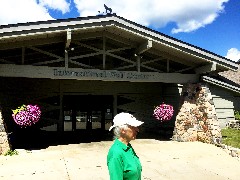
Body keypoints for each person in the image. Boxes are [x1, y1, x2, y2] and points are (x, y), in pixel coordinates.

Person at [107, 112, 144, 180]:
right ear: (123, 130)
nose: (137, 130)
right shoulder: (115, 153)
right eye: (133, 127)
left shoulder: (128, 147)